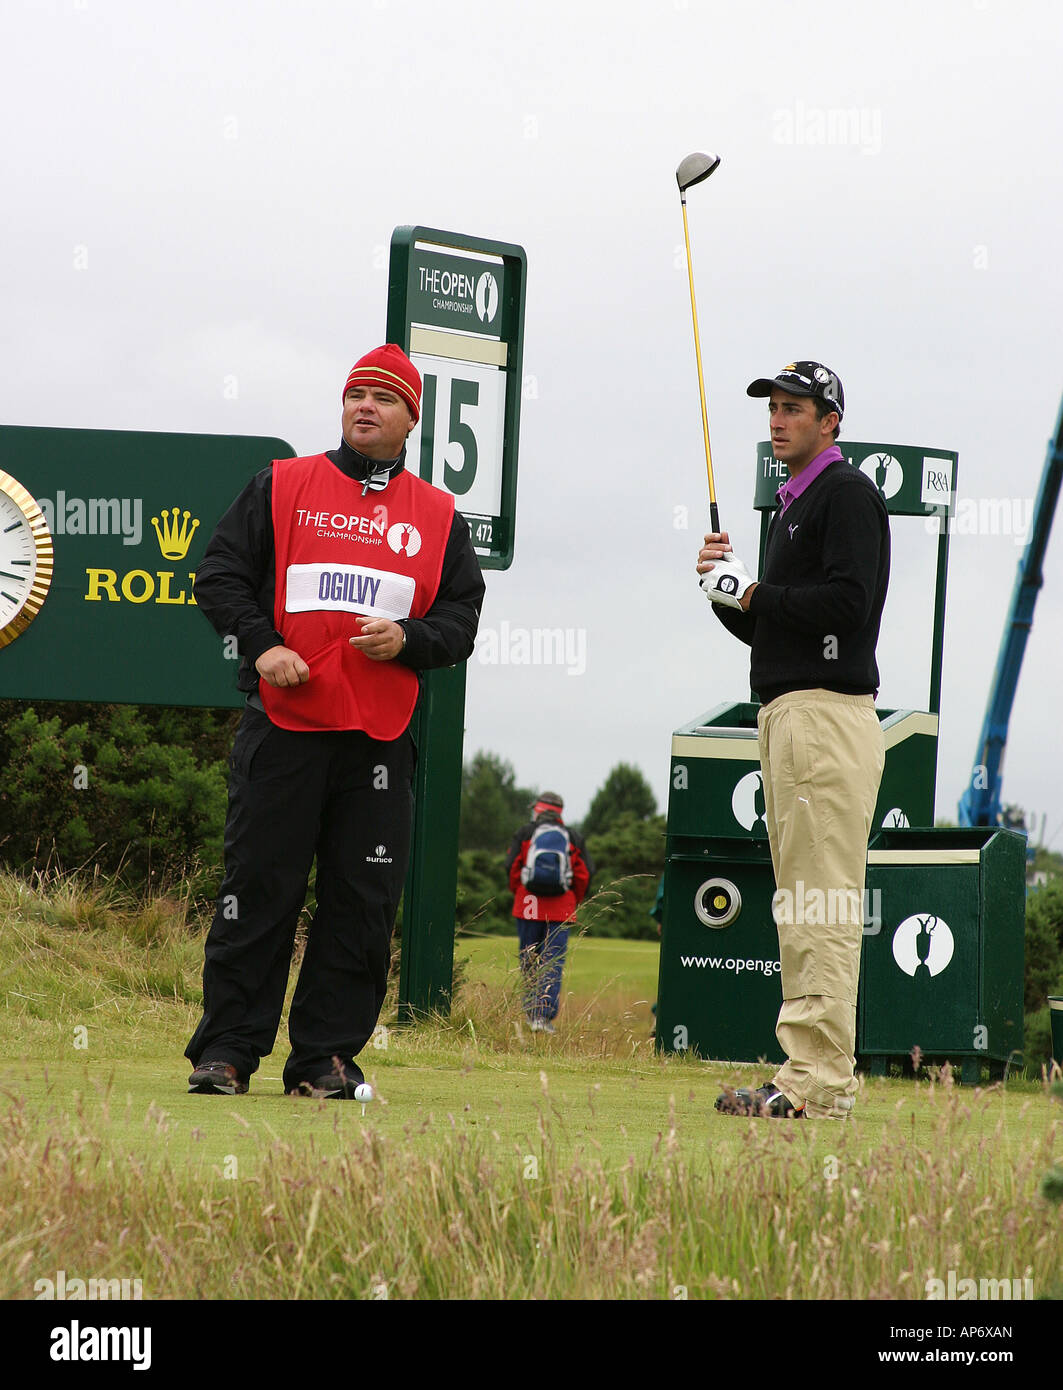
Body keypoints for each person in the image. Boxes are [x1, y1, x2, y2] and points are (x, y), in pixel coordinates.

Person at [185, 344, 485, 1098]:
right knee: (257, 894)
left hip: (379, 743)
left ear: (411, 418)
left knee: (360, 907)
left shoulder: (439, 515)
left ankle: (322, 1061)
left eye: (383, 398)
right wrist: (262, 646)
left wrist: (410, 639)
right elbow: (217, 576)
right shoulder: (282, 484)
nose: (364, 406)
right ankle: (224, 1052)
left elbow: (461, 619)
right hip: (284, 729)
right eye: (355, 394)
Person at [697, 361, 889, 1119]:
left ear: (829, 421)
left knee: (820, 903)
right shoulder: (793, 505)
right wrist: (726, 593)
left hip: (824, 715)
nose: (777, 421)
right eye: (773, 409)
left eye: (793, 409)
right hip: (789, 713)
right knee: (799, 901)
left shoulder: (844, 493)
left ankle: (818, 1085)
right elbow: (767, 621)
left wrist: (756, 592)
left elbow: (849, 602)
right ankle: (805, 1075)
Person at [506, 793, 592, 1033]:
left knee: (529, 961)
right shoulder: (574, 837)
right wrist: (573, 899)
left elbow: (511, 866)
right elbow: (584, 874)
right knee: (553, 962)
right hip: (561, 908)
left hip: (527, 904)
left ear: (538, 809)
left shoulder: (525, 833)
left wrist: (520, 892)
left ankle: (532, 1014)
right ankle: (544, 1017)